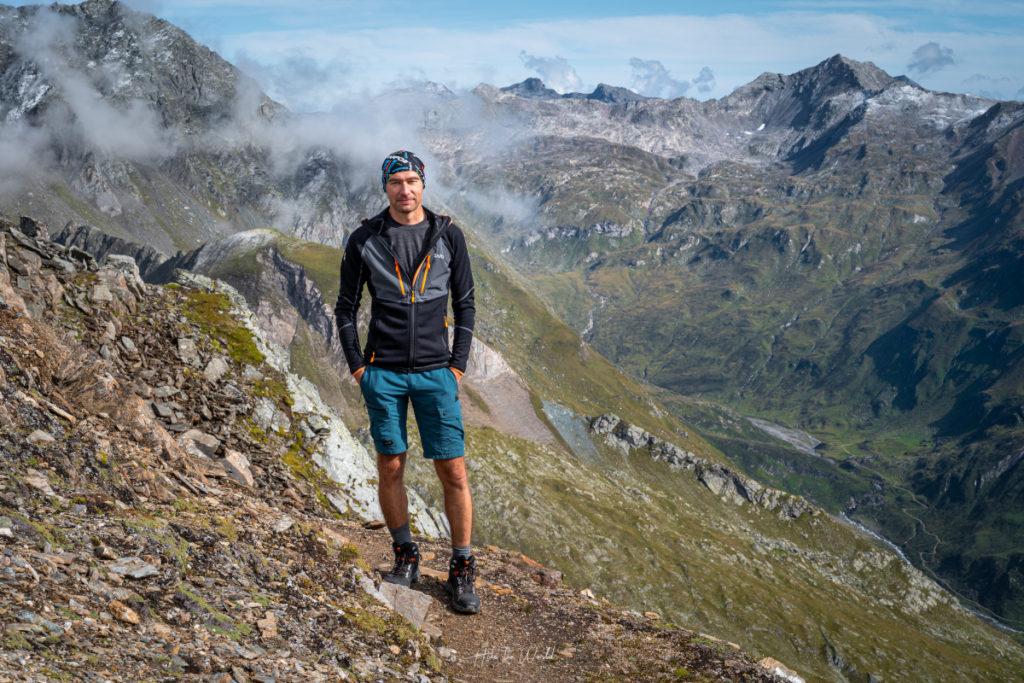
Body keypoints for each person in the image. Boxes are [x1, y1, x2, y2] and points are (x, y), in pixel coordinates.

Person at [335, 150, 479, 614]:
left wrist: (456, 366)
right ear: (385, 187)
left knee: (452, 471)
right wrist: (360, 367)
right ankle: (405, 555)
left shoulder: (448, 235)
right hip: (385, 374)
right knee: (390, 466)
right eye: (396, 181)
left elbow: (466, 305)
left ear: (424, 183)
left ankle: (460, 568)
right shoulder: (365, 238)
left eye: (412, 180)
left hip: (437, 374)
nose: (405, 190)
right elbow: (345, 307)